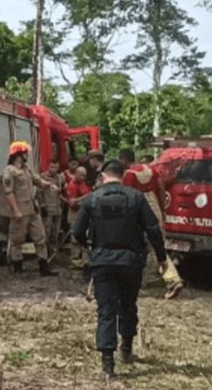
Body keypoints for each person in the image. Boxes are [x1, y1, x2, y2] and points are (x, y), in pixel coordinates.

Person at [72, 159, 167, 378]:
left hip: (102, 261)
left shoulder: (92, 199)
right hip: (130, 261)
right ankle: (126, 347)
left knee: (106, 311)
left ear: (103, 176)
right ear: (123, 176)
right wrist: (161, 259)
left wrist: (91, 249)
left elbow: (77, 231)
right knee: (128, 304)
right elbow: (153, 229)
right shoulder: (136, 198)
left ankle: (108, 364)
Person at [118, 148, 183, 299]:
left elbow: (127, 197)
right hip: (155, 210)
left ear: (124, 160)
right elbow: (160, 188)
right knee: (154, 245)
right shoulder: (151, 170)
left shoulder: (129, 175)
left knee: (151, 249)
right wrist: (162, 210)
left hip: (140, 214)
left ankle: (172, 280)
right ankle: (146, 279)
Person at [2, 141, 57, 276]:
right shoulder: (10, 171)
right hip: (20, 210)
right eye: (25, 152)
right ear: (18, 155)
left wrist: (49, 185)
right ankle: (18, 267)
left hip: (32, 209)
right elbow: (9, 192)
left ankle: (44, 267)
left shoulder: (26, 169)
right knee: (17, 239)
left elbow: (37, 180)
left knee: (40, 237)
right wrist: (16, 210)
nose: (27, 155)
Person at [65, 167, 92, 267]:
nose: (83, 178)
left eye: (85, 175)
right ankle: (75, 260)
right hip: (74, 214)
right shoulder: (72, 185)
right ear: (76, 174)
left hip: (84, 213)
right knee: (75, 238)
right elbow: (72, 203)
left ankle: (85, 261)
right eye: (81, 175)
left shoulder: (84, 185)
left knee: (86, 236)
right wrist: (85, 197)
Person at [38, 160, 65, 259]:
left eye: (56, 167)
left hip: (58, 208)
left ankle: (54, 254)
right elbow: (39, 193)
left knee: (56, 232)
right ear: (48, 167)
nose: (54, 170)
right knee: (46, 232)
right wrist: (42, 205)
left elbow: (62, 191)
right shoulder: (42, 178)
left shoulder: (59, 178)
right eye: (52, 167)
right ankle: (45, 254)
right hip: (48, 208)